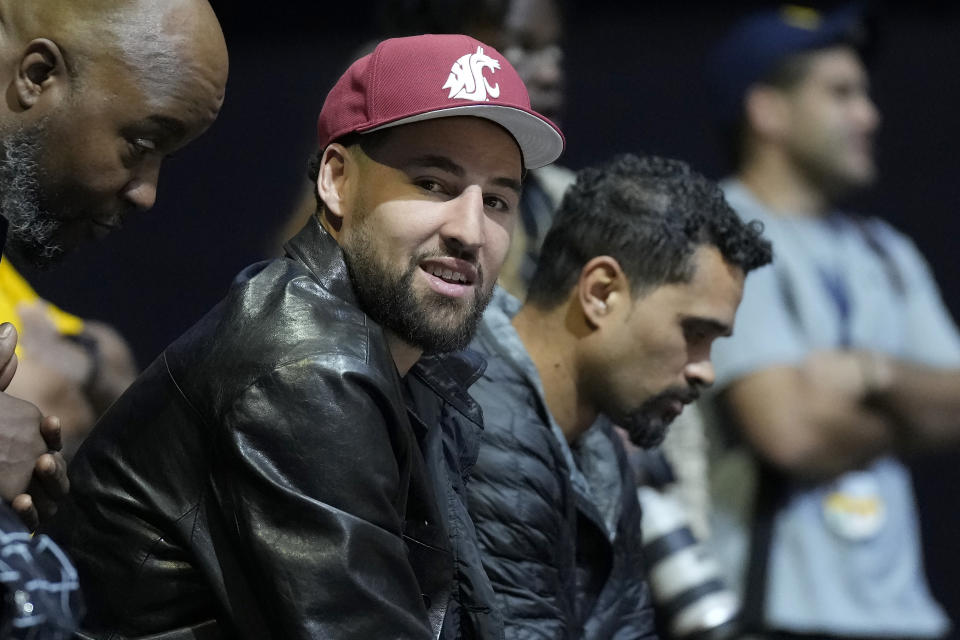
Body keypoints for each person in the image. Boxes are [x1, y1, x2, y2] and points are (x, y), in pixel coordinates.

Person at [46, 34, 564, 639]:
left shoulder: (400, 355)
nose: (471, 231)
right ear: (337, 181)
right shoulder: (306, 366)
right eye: (432, 184)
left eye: (498, 200)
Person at [701, 4, 960, 639]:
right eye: (841, 93)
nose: (869, 116)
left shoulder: (885, 250)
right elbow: (789, 430)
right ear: (769, 112)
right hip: (780, 614)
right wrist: (911, 413)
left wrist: (870, 372)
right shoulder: (721, 229)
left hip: (907, 617)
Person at [464, 153, 772, 639]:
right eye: (693, 332)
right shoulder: (479, 432)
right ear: (601, 292)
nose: (704, 371)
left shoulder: (602, 445)